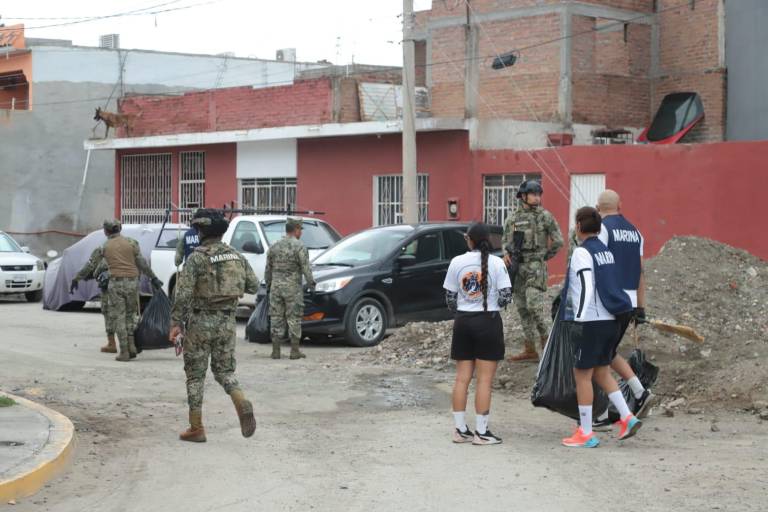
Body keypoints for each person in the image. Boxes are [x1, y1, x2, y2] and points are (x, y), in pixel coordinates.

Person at [168, 209, 259, 443]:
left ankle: (196, 428)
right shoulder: (236, 256)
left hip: (200, 322)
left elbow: (184, 294)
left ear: (202, 231)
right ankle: (240, 401)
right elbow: (253, 285)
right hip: (228, 322)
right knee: (225, 372)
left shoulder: (197, 257)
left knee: (195, 376)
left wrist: (176, 323)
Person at [561, 207, 641, 448]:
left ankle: (585, 432)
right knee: (602, 372)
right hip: (611, 319)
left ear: (579, 226)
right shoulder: (605, 251)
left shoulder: (581, 253)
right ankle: (627, 417)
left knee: (582, 375)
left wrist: (579, 317)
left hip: (592, 321)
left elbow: (585, 284)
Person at [443, 223, 512, 445]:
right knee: (484, 380)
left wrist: (466, 306)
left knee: (462, 379)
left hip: (462, 322)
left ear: (468, 239)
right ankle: (481, 433)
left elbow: (450, 299)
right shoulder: (497, 263)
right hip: (488, 322)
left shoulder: (456, 262)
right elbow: (505, 297)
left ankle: (460, 430)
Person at [595, 189, 654, 418]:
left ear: (598, 208)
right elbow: (640, 272)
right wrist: (640, 308)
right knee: (606, 352)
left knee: (595, 356)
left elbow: (599, 265)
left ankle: (604, 412)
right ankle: (639, 393)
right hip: (628, 302)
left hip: (607, 301)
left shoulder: (602, 230)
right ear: (620, 206)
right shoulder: (636, 233)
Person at [71, 219, 162, 361]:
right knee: (131, 315)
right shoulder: (131, 243)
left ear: (106, 231)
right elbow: (142, 263)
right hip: (133, 283)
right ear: (120, 228)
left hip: (116, 284)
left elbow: (90, 265)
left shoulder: (104, 247)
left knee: (119, 317)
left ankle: (124, 351)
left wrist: (77, 278)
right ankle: (132, 346)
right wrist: (154, 278)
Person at [502, 180, 563, 362]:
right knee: (522, 308)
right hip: (517, 267)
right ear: (523, 196)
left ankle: (547, 342)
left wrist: (543, 257)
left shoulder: (545, 216)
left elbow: (558, 241)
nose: (537, 197)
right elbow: (506, 240)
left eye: (538, 194)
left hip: (536, 267)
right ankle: (530, 349)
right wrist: (506, 253)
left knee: (533, 306)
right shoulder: (512, 218)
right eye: (533, 194)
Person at [264, 217, 315, 360]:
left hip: (276, 288)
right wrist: (311, 284)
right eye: (301, 230)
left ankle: (276, 351)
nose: (301, 233)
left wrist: (269, 286)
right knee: (294, 318)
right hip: (293, 289)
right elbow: (306, 268)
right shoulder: (299, 246)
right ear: (297, 229)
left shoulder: (274, 246)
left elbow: (268, 270)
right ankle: (294, 351)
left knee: (276, 318)